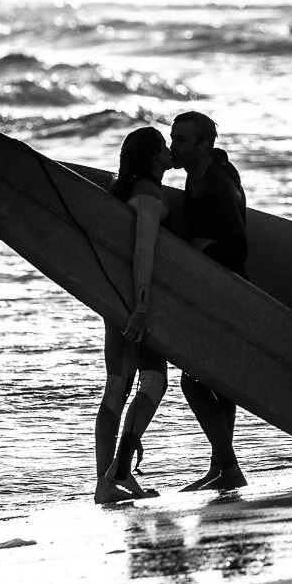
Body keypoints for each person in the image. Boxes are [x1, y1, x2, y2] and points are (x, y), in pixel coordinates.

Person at [168, 110, 249, 492]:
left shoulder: (216, 183)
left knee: (193, 381)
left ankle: (229, 466)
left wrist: (205, 248)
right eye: (172, 139)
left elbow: (239, 246)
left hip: (227, 295)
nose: (173, 146)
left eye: (182, 140)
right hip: (210, 293)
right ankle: (220, 467)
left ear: (204, 144)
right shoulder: (195, 174)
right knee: (217, 383)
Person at [94, 127, 172, 504]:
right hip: (138, 304)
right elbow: (144, 252)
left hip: (113, 301)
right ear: (153, 157)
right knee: (154, 382)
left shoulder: (121, 191)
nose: (169, 152)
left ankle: (106, 483)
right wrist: (142, 306)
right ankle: (117, 472)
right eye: (164, 148)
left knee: (117, 386)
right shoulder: (149, 194)